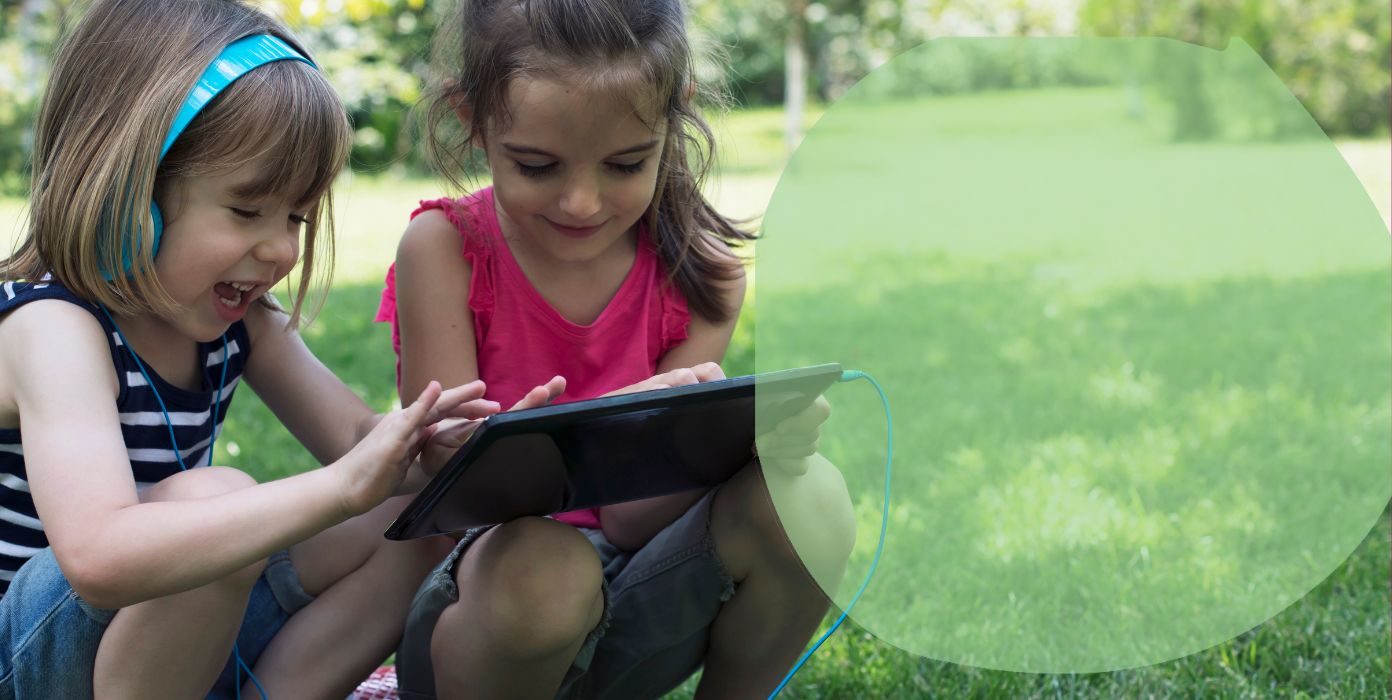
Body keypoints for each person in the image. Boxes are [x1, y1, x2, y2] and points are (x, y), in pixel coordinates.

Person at [0, 1, 507, 697]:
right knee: (213, 496)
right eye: (246, 209)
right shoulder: (53, 328)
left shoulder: (241, 324)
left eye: (296, 216)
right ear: (127, 193)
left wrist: (436, 445)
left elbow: (359, 444)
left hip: (159, 637)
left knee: (410, 524)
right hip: (30, 658)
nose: (281, 250)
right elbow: (97, 557)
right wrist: (336, 488)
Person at [374, 0, 858, 696]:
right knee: (547, 569)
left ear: (674, 116)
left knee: (808, 494)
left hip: (634, 604)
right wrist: (630, 416)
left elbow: (631, 521)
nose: (581, 202)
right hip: (486, 616)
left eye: (626, 164)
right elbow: (457, 485)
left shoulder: (704, 274)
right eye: (538, 166)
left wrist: (739, 442)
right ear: (470, 118)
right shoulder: (445, 249)